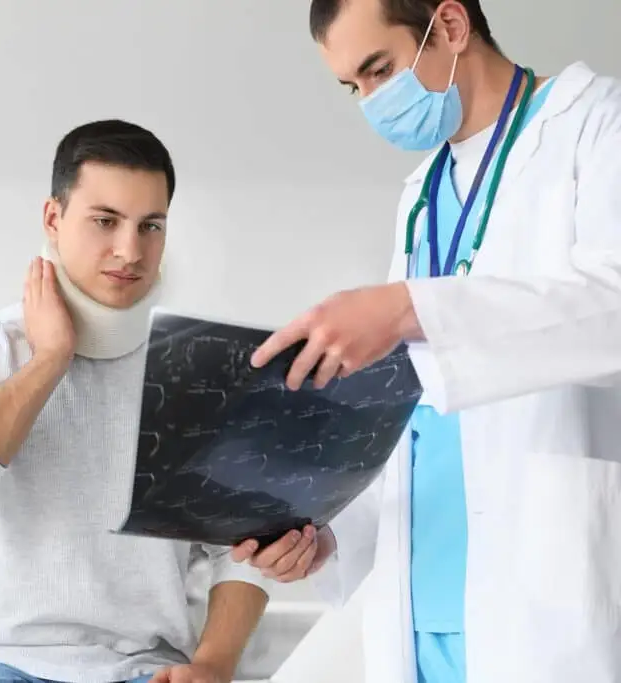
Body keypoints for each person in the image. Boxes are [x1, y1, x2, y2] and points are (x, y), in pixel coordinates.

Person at [232, 1, 621, 682]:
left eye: (380, 70)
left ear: (450, 26)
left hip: (546, 596)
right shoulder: (422, 194)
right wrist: (326, 537)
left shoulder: (595, 125)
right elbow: (409, 415)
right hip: (423, 602)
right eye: (354, 86)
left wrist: (408, 308)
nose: (372, 102)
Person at [0, 119, 271, 683]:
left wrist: (213, 664)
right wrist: (49, 360)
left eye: (150, 226)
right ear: (53, 218)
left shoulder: (199, 372)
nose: (130, 251)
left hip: (145, 666)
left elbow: (241, 548)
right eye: (105, 221)